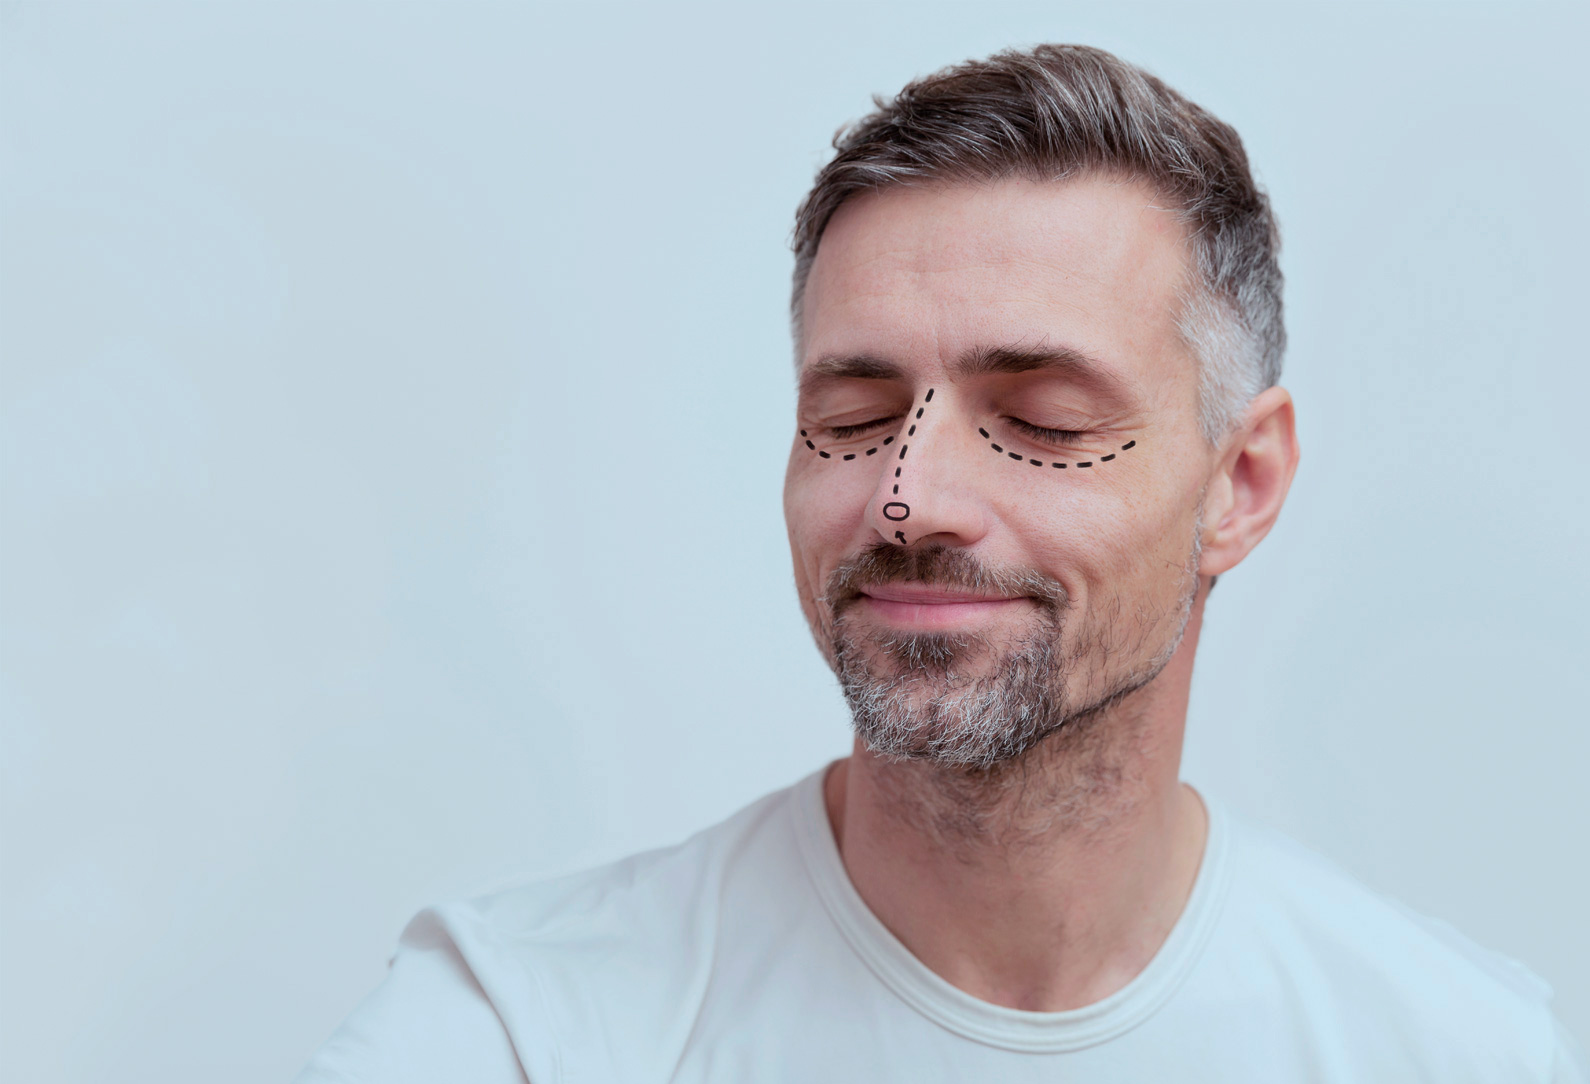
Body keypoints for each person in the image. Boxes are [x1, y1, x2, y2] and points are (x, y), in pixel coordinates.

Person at [296, 44, 1584, 1082]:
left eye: (1044, 422)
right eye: (851, 421)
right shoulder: (525, 1032)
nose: (907, 498)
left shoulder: (1453, 1050)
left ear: (1240, 485)